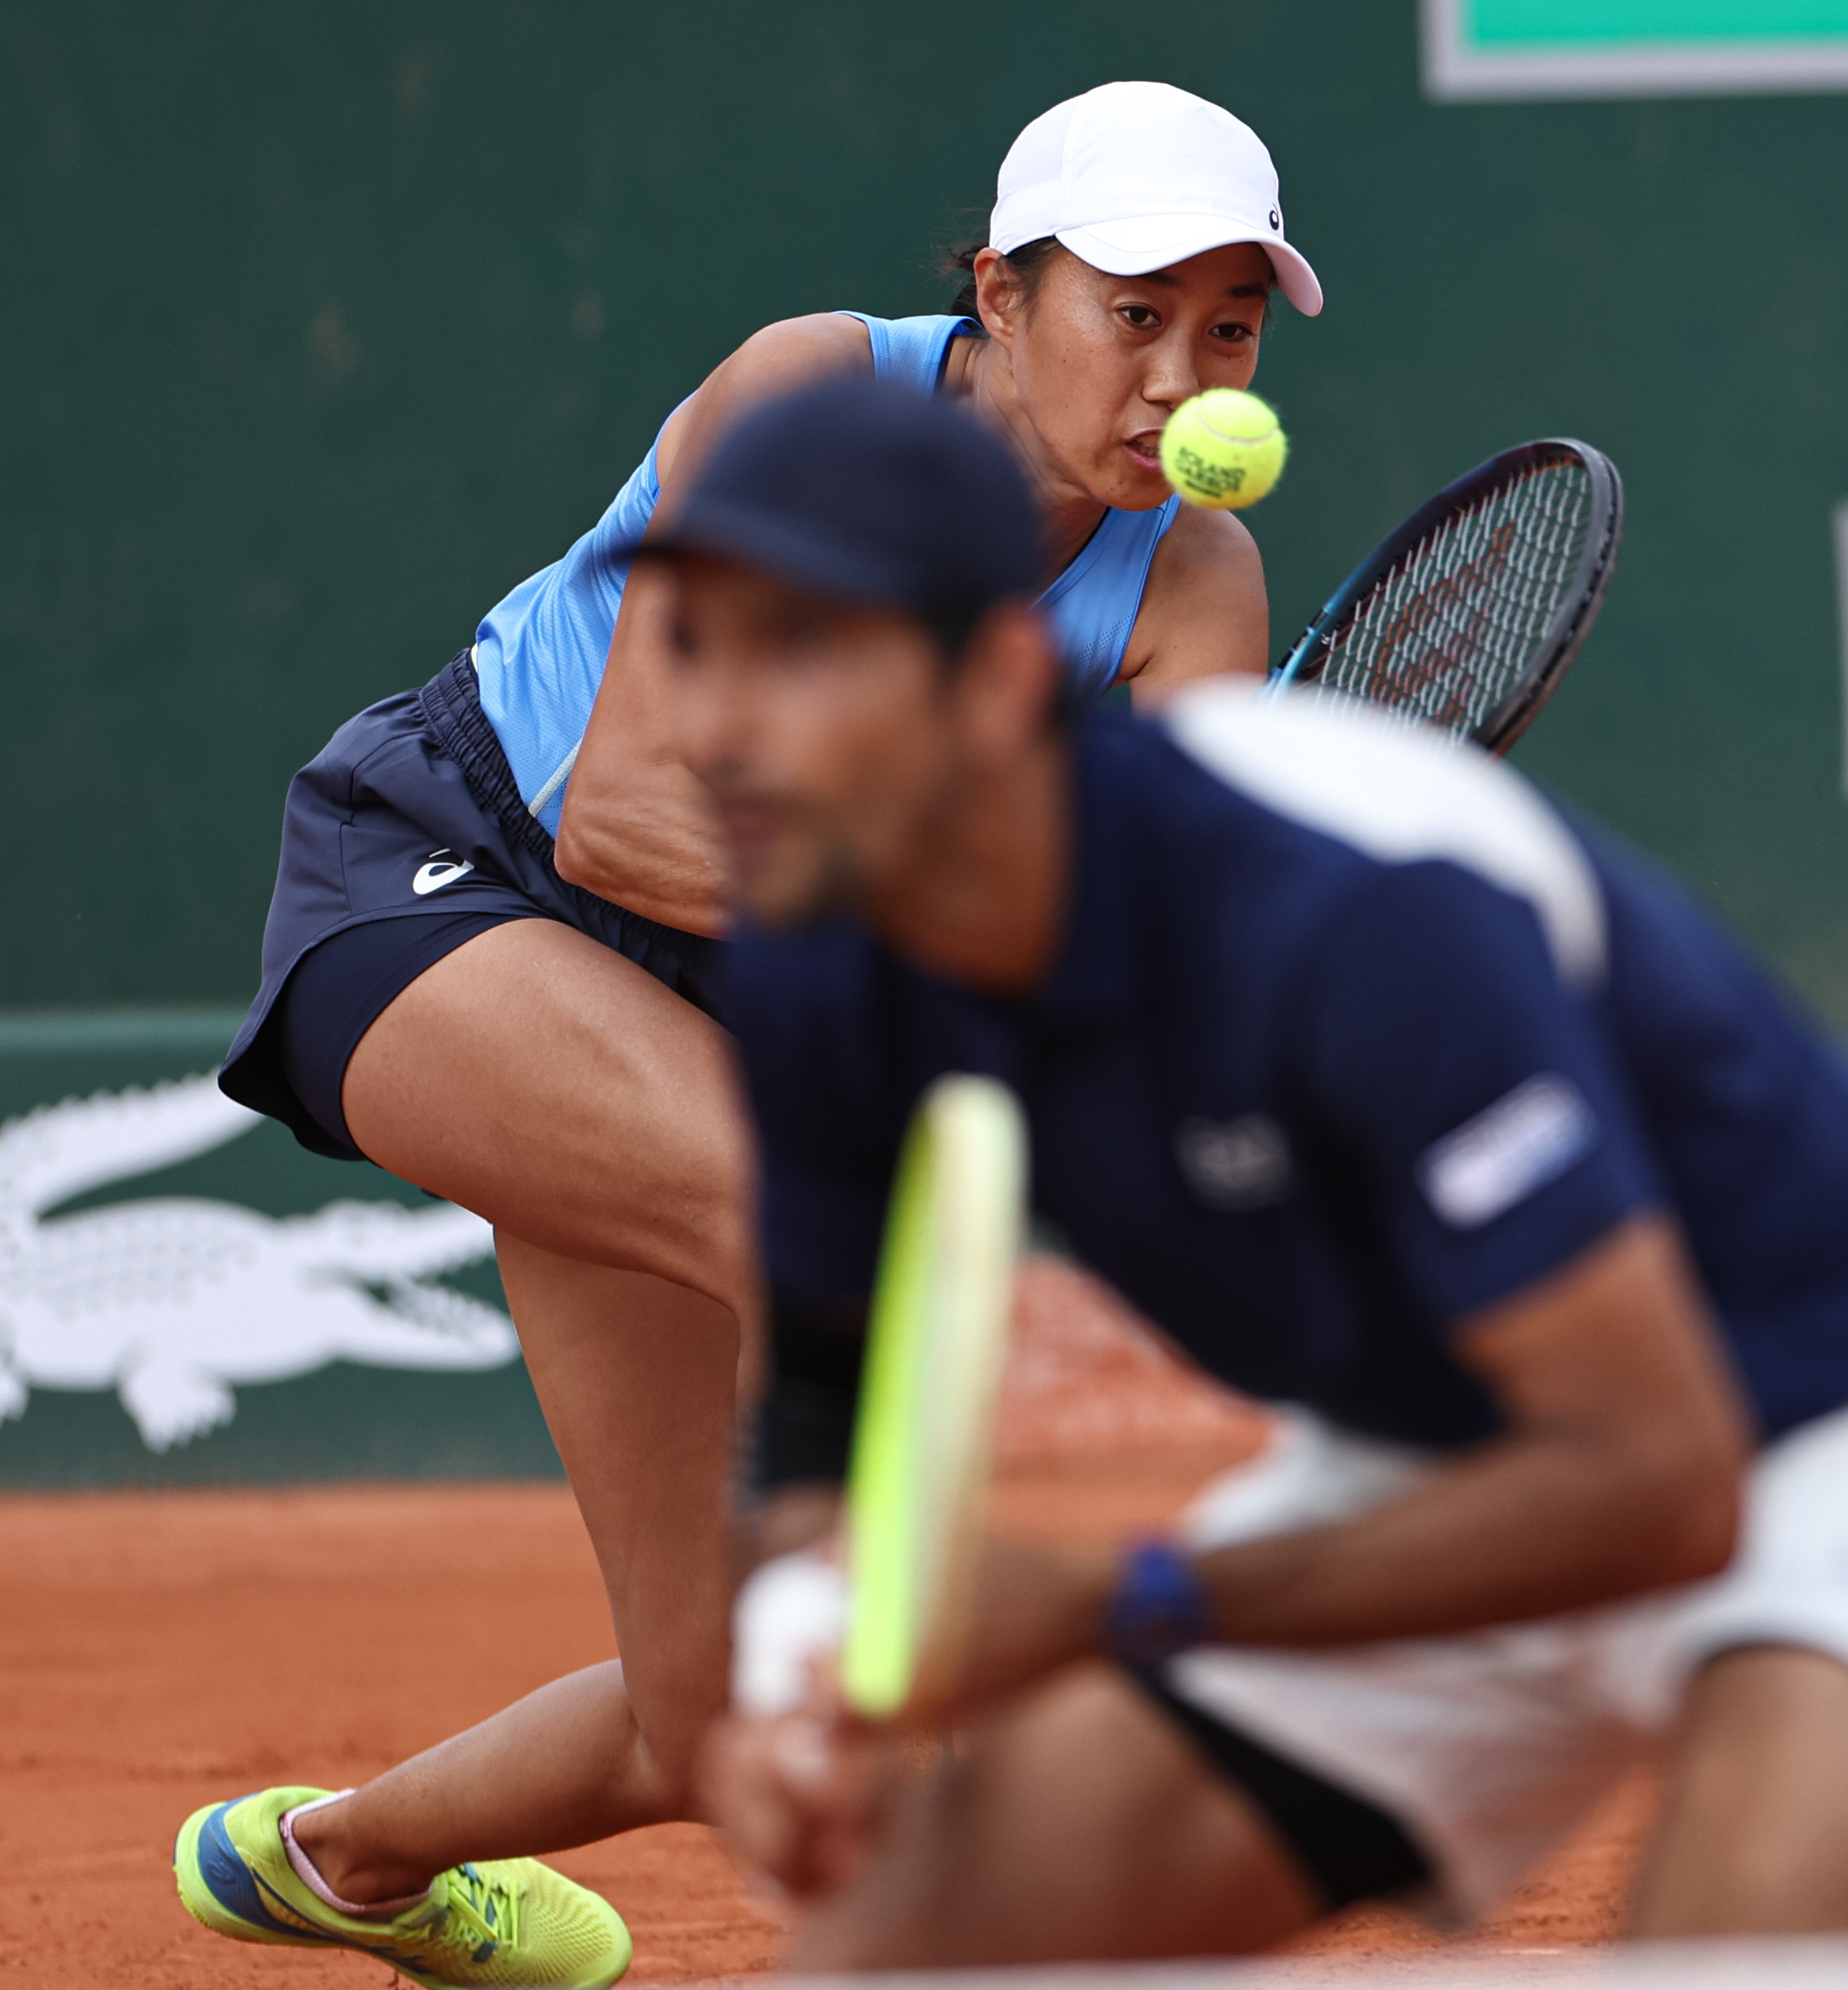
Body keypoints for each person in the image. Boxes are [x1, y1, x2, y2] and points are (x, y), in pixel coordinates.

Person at [173, 80, 1322, 1990]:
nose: (1172, 378)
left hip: (720, 1020)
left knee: (700, 1715)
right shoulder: (812, 392)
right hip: (458, 883)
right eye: (1130, 312)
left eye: (1224, 328)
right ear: (999, 293)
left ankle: (335, 1864)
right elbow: (621, 810)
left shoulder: (1192, 579)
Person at [640, 376, 1848, 1962]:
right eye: (691, 646)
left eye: (798, 648)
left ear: (998, 679)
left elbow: (1662, 1486)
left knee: (1740, 1960)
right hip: (1429, 1459)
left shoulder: (1353, 911)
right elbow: (815, 1415)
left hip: (1786, 1442)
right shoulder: (823, 953)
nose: (715, 728)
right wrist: (805, 1684)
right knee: (898, 1950)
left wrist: (1107, 1606)